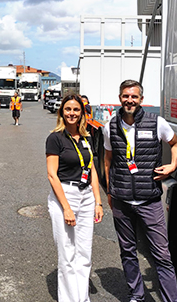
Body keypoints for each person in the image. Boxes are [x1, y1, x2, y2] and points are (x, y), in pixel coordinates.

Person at [103, 80, 177, 302]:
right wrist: (110, 191)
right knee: (127, 252)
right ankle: (136, 295)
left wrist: (173, 165)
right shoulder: (110, 125)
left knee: (162, 255)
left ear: (141, 100)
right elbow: (108, 160)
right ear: (120, 98)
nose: (129, 100)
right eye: (125, 96)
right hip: (121, 200)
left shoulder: (157, 123)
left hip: (150, 200)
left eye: (134, 97)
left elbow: (176, 144)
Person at [45, 94, 103, 302]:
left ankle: (82, 298)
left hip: (86, 196)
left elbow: (92, 170)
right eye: (68, 109)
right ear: (62, 112)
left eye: (76, 110)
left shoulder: (87, 137)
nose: (72, 113)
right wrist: (66, 208)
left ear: (82, 113)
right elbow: (52, 175)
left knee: (84, 254)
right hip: (65, 196)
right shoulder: (55, 138)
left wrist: (98, 201)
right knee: (68, 255)